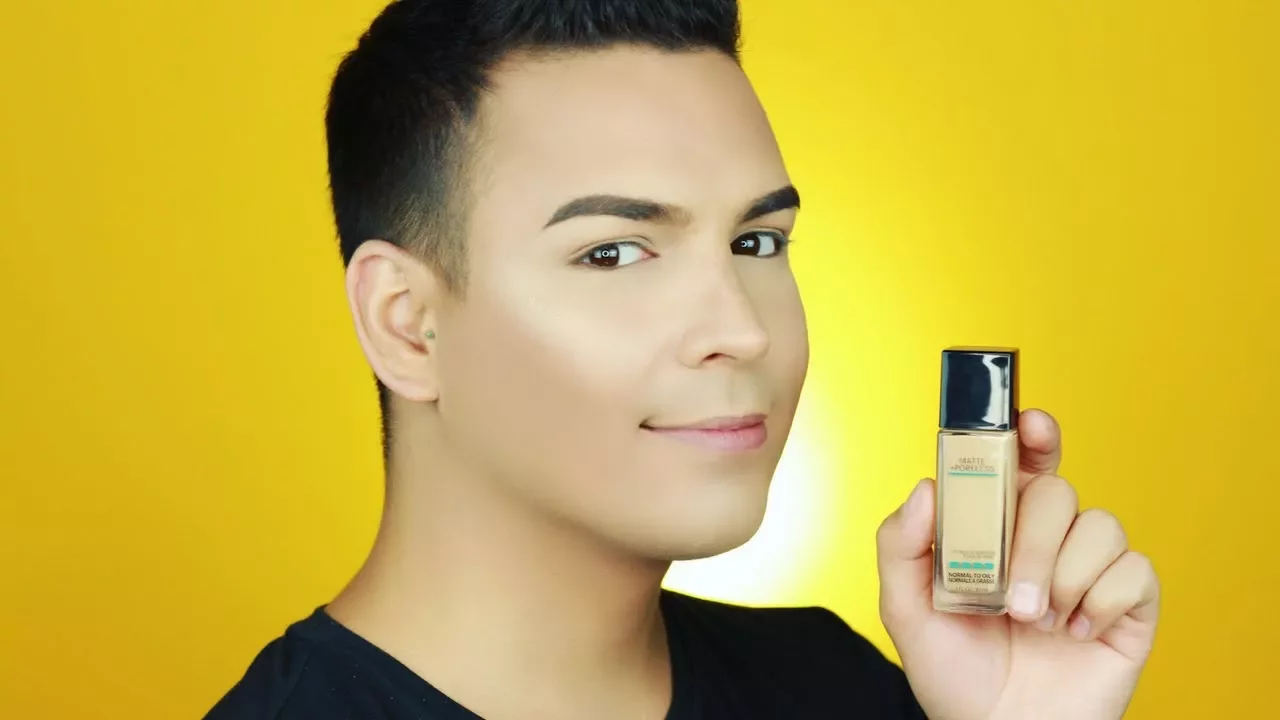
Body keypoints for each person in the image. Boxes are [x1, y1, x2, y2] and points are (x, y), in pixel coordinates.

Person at [205, 0, 1161, 718]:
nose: (742, 330)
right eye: (614, 253)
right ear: (407, 323)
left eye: (757, 242)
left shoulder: (837, 683)